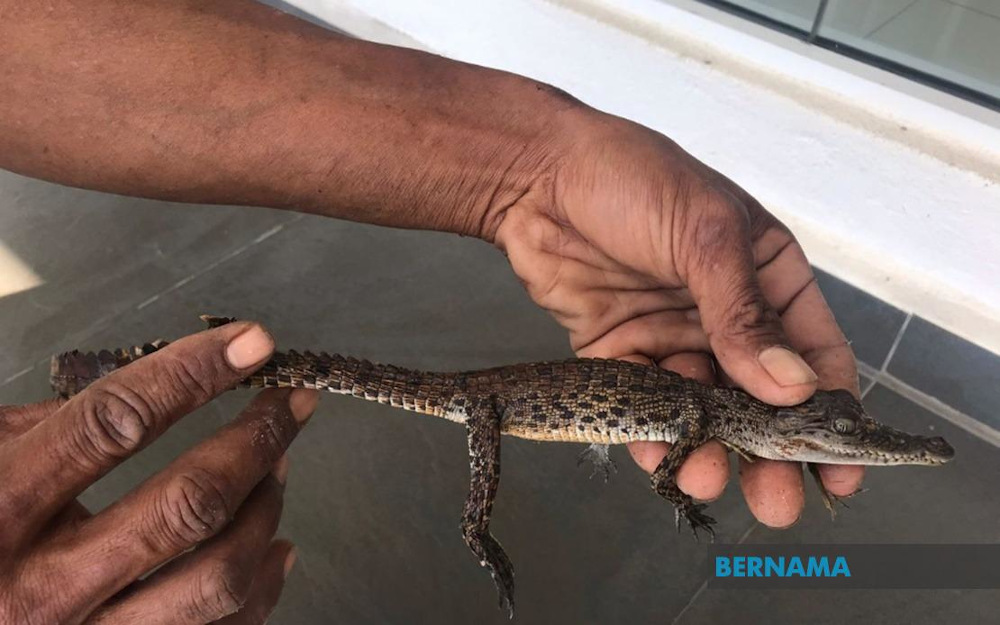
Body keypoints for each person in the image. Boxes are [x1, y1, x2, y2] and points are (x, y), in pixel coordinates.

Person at [0, 1, 863, 622]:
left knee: (311, 370)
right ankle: (474, 535)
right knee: (433, 462)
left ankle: (123, 361)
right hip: (491, 399)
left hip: (524, 393)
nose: (851, 444)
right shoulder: (707, 406)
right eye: (838, 434)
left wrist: (538, 169)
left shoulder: (710, 406)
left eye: (841, 433)